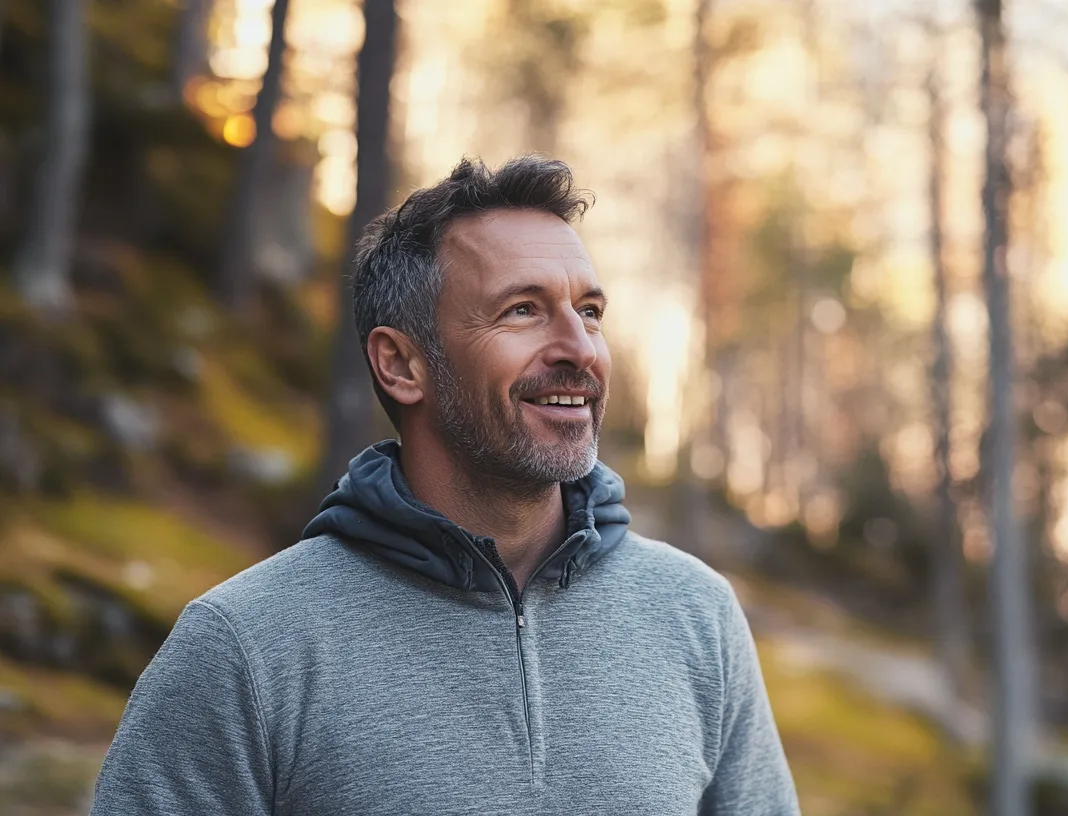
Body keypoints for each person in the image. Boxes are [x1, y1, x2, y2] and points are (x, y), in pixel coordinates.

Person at [91, 156, 799, 816]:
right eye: (522, 309)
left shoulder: (696, 615)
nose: (580, 349)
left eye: (588, 312)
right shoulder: (246, 646)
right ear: (401, 364)